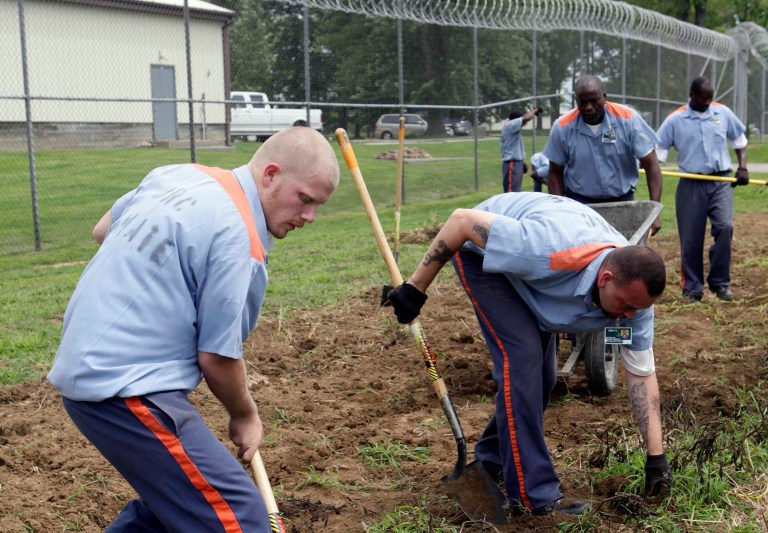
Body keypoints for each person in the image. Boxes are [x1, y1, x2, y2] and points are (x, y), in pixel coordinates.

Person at [47, 127, 340, 531]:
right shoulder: (240, 240)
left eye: (317, 205)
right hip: (125, 386)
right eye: (304, 199)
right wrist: (245, 416)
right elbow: (217, 357)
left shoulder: (180, 175)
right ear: (271, 173)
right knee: (238, 516)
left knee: (177, 509)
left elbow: (103, 230)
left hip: (91, 366)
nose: (309, 216)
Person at [384, 192, 672, 517]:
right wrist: (415, 288)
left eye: (639, 308)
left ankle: (491, 460)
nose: (631, 316)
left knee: (545, 378)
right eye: (627, 306)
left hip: (534, 277)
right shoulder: (545, 249)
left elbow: (641, 374)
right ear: (605, 279)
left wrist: (656, 457)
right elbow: (461, 221)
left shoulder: (637, 302)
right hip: (483, 258)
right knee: (523, 363)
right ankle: (536, 495)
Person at [656, 76, 749, 303]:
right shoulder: (675, 120)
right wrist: (650, 166)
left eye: (710, 97)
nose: (708, 102)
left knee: (725, 227)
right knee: (691, 237)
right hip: (691, 183)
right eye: (703, 98)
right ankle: (693, 289)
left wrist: (743, 167)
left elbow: (740, 141)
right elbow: (658, 151)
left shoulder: (722, 113)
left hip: (721, 181)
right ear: (692, 96)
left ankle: (720, 283)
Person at [544, 75, 663, 235]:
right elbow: (555, 173)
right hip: (580, 206)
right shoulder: (562, 127)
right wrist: (560, 212)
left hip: (622, 204)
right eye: (582, 102)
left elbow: (651, 164)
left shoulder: (628, 119)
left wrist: (654, 211)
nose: (588, 107)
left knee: (621, 256)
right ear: (576, 100)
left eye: (594, 100)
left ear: (604, 97)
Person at [501, 107, 542, 192]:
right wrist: (535, 111)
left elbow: (513, 147)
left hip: (515, 163)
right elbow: (526, 118)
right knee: (511, 192)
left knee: (515, 191)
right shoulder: (511, 125)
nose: (523, 124)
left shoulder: (512, 128)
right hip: (511, 163)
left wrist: (521, 163)